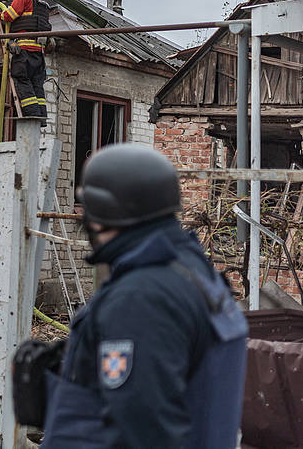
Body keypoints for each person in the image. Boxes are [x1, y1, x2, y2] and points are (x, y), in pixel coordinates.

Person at [14, 144, 247, 448]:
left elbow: (144, 428)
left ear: (103, 216)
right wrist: (73, 366)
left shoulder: (140, 298)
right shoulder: (190, 272)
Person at [0, 0, 53, 120]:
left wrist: (1, 15)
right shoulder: (44, 3)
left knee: (22, 80)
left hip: (24, 50)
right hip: (39, 53)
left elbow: (9, 16)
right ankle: (41, 117)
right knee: (37, 85)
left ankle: (32, 115)